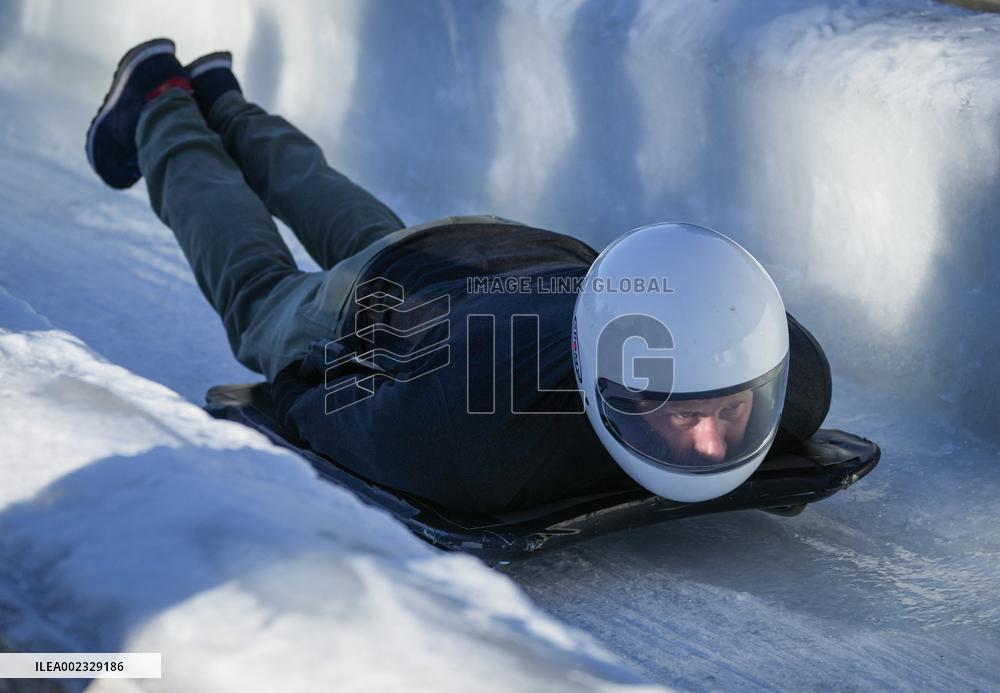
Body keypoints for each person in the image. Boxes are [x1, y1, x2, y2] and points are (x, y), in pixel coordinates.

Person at [86, 39, 831, 515]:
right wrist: (288, 389)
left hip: (506, 252)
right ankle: (161, 105)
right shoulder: (481, 448)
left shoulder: (795, 385)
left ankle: (224, 101)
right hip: (411, 301)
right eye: (682, 414)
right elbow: (341, 415)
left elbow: (748, 320)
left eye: (731, 411)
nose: (710, 448)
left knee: (374, 238)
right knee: (259, 294)